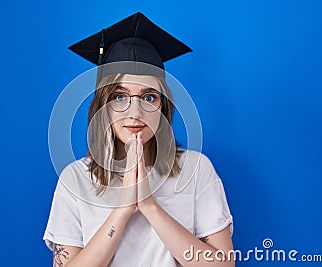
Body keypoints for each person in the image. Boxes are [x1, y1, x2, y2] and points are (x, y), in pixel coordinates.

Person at [43, 12, 234, 267]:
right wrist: (123, 210)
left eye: (149, 97)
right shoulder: (75, 179)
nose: (135, 113)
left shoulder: (196, 170)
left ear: (163, 108)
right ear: (104, 107)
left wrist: (149, 206)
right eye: (120, 96)